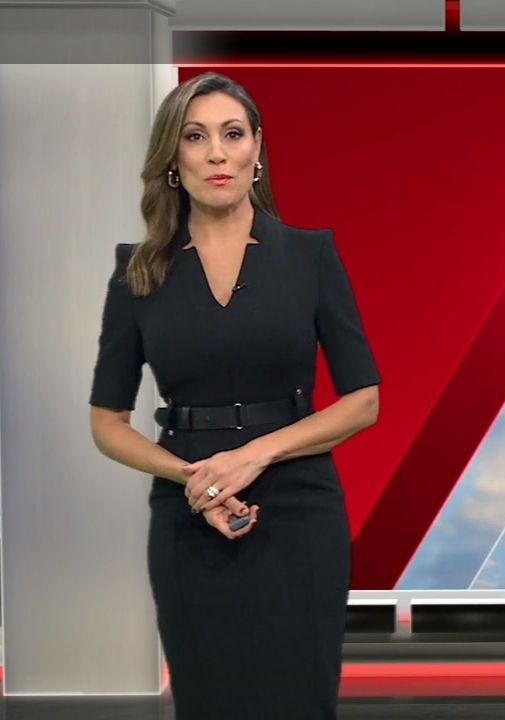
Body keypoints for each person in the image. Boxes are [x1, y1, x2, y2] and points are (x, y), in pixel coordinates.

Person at [89, 71, 382, 720]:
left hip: (299, 510)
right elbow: (107, 421)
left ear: (257, 148)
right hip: (188, 513)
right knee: (208, 701)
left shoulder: (310, 256)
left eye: (232, 134)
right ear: (173, 157)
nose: (217, 153)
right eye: (195, 137)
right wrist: (195, 479)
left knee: (299, 701)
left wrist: (251, 457)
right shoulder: (138, 270)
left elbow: (362, 400)